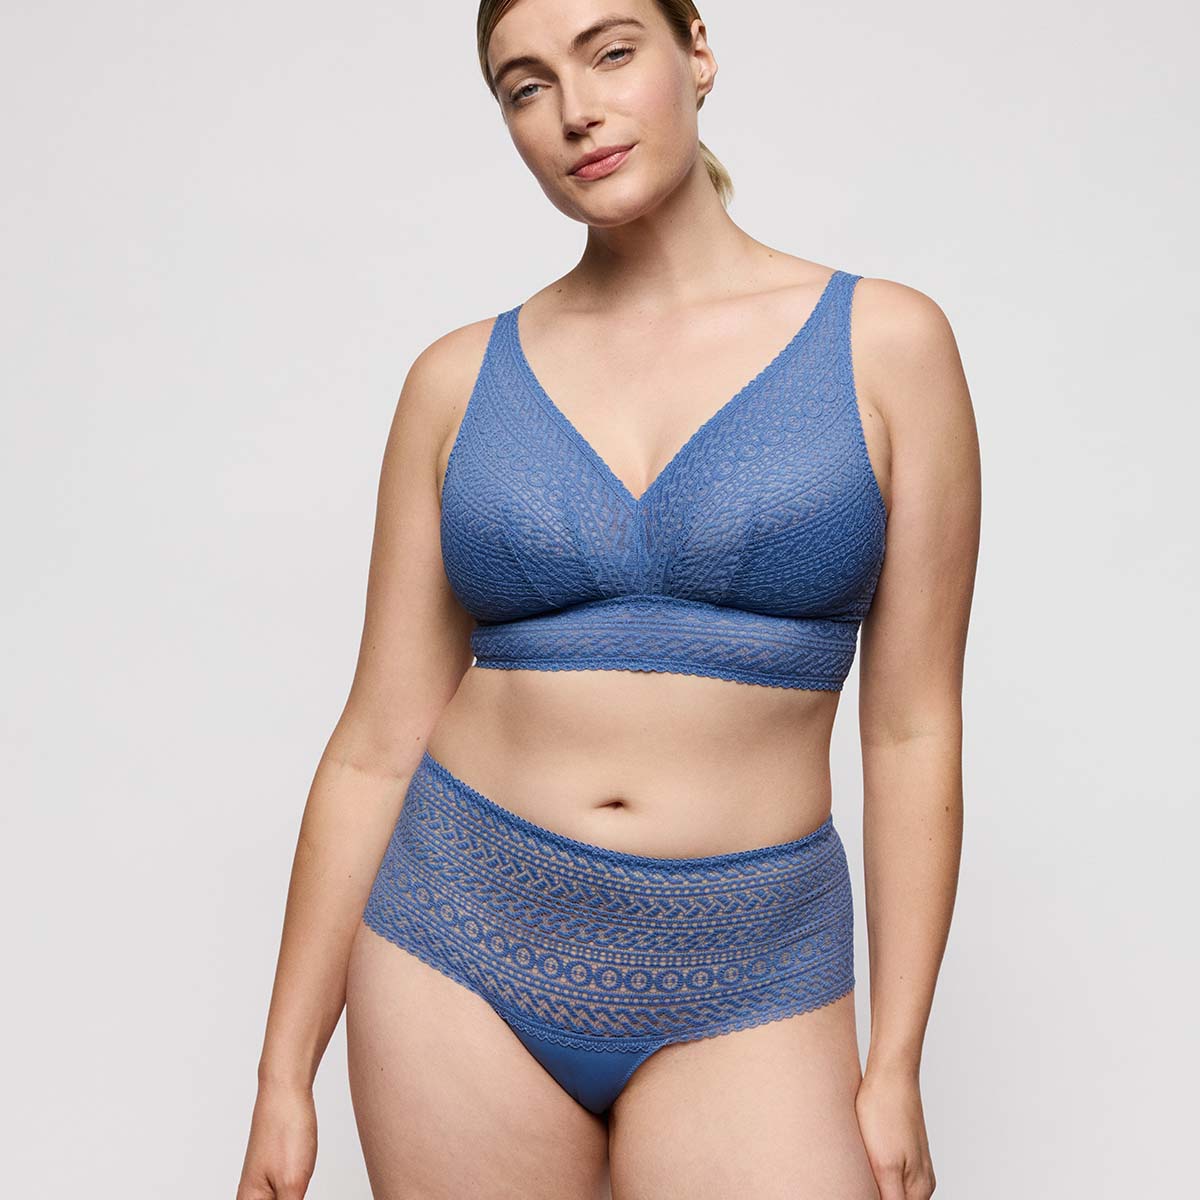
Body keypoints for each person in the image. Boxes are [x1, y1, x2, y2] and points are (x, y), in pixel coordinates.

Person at [236, 1, 979, 1197]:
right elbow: (375, 744)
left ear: (699, 51)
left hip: (753, 966)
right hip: (458, 948)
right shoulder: (455, 381)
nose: (574, 111)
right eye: (525, 86)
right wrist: (282, 1076)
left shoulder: (887, 345)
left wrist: (897, 1059)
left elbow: (912, 728)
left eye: (612, 52)